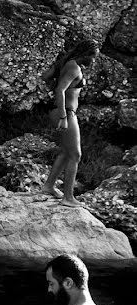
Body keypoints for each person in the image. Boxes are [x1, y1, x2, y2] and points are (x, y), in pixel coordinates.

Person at [39, 41, 101, 207]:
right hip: (65, 113)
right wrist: (63, 116)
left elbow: (45, 77)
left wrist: (58, 66)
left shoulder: (66, 63)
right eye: (92, 57)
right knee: (76, 155)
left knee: (66, 152)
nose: (93, 61)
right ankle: (68, 198)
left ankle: (48, 186)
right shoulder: (74, 68)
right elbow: (60, 90)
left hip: (58, 111)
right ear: (85, 53)